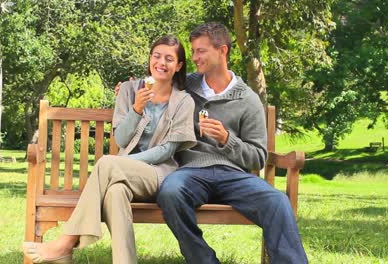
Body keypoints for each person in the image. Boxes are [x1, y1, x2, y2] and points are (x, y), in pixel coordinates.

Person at [23, 35, 197, 264]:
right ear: (149, 59)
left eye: (169, 59)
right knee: (115, 192)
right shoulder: (128, 90)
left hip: (160, 174)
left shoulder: (184, 101)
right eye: (157, 56)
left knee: (107, 162)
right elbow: (122, 138)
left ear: (178, 66)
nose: (161, 63)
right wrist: (136, 109)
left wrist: (126, 163)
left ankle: (65, 243)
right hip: (121, 173)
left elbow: (167, 151)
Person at [156, 22, 309, 264]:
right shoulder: (186, 85)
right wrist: (128, 89)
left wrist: (227, 139)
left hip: (233, 175)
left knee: (278, 201)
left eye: (201, 51)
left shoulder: (248, 99)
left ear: (222, 50)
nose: (195, 57)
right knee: (170, 191)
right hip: (191, 173)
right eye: (194, 51)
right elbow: (156, 81)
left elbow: (258, 156)